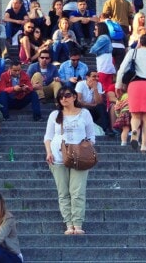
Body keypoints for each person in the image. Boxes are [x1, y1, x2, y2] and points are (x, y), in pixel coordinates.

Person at [42, 88, 96, 236]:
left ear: (74, 97)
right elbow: (48, 136)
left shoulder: (84, 113)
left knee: (77, 191)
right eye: (60, 97)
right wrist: (49, 152)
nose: (64, 99)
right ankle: (69, 223)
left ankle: (77, 223)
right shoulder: (55, 115)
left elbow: (91, 136)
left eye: (67, 95)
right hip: (58, 156)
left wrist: (84, 148)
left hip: (80, 157)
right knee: (63, 192)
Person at [116, 34, 146, 152]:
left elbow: (122, 69)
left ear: (140, 42)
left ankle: (134, 131)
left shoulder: (133, 52)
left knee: (135, 115)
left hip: (135, 84)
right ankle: (144, 146)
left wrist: (118, 85)